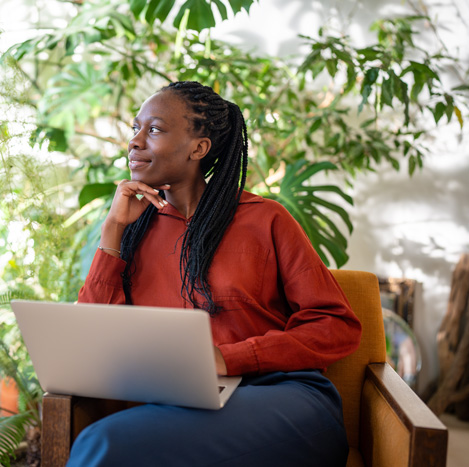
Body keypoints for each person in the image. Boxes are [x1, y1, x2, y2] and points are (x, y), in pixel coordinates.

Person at [69, 81, 362, 466]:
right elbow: (95, 339)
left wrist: (227, 358)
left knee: (105, 444)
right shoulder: (133, 232)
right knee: (109, 440)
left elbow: (336, 324)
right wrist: (111, 236)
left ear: (199, 147)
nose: (135, 141)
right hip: (183, 406)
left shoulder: (265, 219)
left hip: (284, 397)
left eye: (153, 129)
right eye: (135, 129)